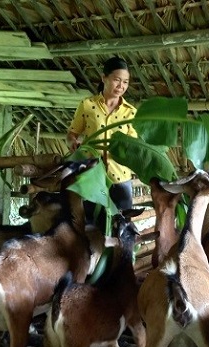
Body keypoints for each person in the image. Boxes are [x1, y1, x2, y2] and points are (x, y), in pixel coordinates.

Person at [66, 56, 138, 225]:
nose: (121, 86)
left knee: (122, 227)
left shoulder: (131, 112)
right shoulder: (87, 105)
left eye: (125, 82)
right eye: (117, 80)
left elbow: (134, 146)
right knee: (90, 225)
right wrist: (72, 143)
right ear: (104, 78)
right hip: (92, 176)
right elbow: (72, 133)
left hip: (120, 178)